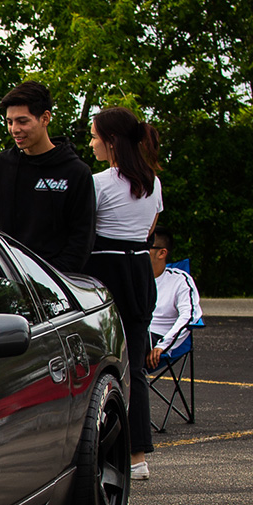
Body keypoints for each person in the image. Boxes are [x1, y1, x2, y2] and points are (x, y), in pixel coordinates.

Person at [85, 106, 164, 480]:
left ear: (111, 141)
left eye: (95, 136)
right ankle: (138, 458)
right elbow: (149, 231)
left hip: (106, 271)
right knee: (135, 368)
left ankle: (102, 451)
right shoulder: (153, 181)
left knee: (99, 366)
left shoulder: (97, 182)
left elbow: (86, 230)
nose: (91, 142)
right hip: (139, 272)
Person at [0, 81, 95, 271]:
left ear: (45, 118)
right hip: (1, 280)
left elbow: (81, 239)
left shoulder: (76, 172)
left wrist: (51, 280)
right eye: (9, 122)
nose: (14, 129)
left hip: (54, 284)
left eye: (23, 121)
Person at [147, 227, 203, 370]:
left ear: (162, 253)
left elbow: (189, 316)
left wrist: (162, 345)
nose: (140, 251)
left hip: (157, 338)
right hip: (131, 334)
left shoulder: (180, 280)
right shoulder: (132, 278)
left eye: (146, 247)